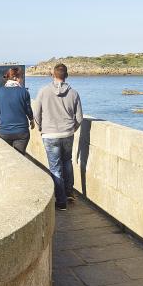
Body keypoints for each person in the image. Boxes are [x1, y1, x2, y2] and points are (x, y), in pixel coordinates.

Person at [32, 63, 83, 210]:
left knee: (55, 168)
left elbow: (36, 113)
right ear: (66, 75)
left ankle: (61, 202)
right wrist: (72, 129)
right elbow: (79, 117)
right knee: (67, 162)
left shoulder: (43, 91)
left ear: (53, 75)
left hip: (49, 134)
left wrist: (42, 127)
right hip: (67, 133)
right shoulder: (73, 93)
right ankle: (69, 192)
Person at [0, 67, 34, 154]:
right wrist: (31, 120)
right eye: (21, 77)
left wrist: (2, 123)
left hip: (4, 131)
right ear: (16, 78)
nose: (22, 80)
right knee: (19, 156)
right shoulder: (24, 92)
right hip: (22, 132)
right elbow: (28, 110)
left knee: (6, 157)